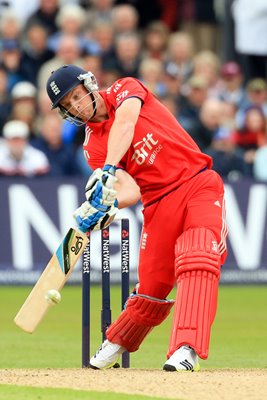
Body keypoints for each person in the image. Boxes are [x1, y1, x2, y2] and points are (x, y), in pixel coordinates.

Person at [46, 64, 228, 372]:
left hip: (197, 182)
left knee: (198, 255)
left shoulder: (124, 89)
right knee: (152, 285)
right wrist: (111, 203)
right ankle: (116, 340)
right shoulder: (92, 147)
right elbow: (130, 189)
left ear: (89, 84)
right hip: (158, 204)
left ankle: (187, 348)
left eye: (76, 96)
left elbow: (126, 124)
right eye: (67, 105)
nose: (75, 106)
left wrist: (108, 170)